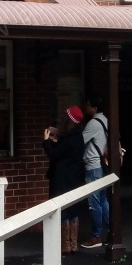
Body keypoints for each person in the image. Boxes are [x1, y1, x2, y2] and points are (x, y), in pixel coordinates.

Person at [43, 106, 87, 255]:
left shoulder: (67, 139)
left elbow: (54, 155)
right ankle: (73, 244)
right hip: (73, 177)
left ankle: (65, 245)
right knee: (72, 208)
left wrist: (46, 141)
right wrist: (57, 141)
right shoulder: (78, 137)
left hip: (61, 178)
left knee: (62, 209)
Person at [80, 95, 110, 249]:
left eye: (88, 105)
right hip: (102, 165)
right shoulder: (105, 120)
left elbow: (81, 141)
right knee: (103, 200)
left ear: (95, 108)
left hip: (93, 166)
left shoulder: (92, 123)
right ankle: (111, 231)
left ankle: (96, 236)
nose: (86, 107)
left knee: (94, 203)